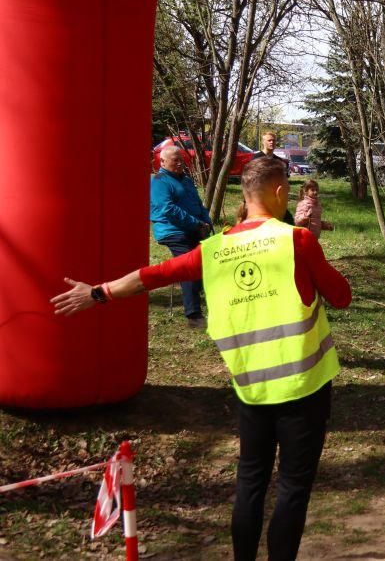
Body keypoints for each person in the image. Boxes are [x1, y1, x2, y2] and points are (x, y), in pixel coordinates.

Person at [52, 156, 352, 560]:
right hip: (305, 389)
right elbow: (341, 296)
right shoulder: (297, 241)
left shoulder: (214, 251)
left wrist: (98, 292)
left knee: (250, 482)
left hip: (251, 390)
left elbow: (155, 275)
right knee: (293, 488)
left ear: (245, 195)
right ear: (280, 192)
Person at [150, 145, 213, 328]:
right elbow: (168, 209)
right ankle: (194, 315)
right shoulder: (159, 182)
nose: (180, 163)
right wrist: (196, 224)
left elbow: (198, 204)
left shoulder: (186, 180)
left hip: (193, 228)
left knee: (212, 260)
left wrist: (206, 222)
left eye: (181, 159)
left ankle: (211, 299)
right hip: (173, 231)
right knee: (188, 266)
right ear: (162, 162)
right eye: (175, 160)